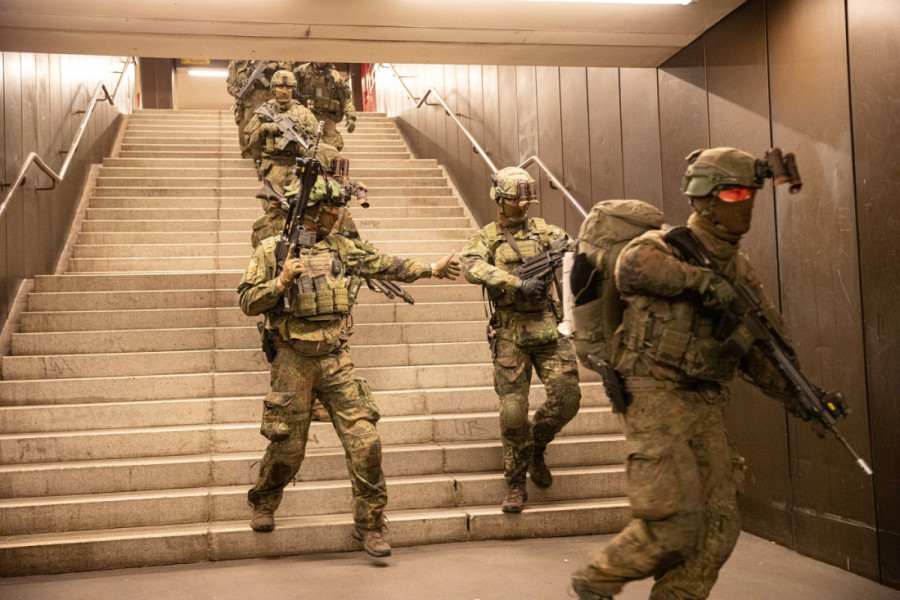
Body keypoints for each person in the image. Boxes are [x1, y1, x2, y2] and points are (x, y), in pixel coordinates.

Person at [571, 148, 818, 600]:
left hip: (704, 401)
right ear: (704, 197)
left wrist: (802, 397)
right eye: (733, 191)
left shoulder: (739, 269)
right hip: (653, 394)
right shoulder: (664, 245)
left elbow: (759, 348)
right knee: (672, 525)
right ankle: (593, 582)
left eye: (749, 192)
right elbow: (632, 267)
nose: (743, 202)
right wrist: (701, 283)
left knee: (719, 528)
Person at [238, 172, 460, 557]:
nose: (340, 214)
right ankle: (264, 499)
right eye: (333, 208)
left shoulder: (342, 248)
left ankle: (371, 525)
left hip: (336, 357)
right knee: (288, 447)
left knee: (366, 442)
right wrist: (279, 283)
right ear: (315, 211)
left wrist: (431, 268)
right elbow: (246, 302)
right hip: (292, 360)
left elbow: (385, 264)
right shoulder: (273, 251)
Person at [459, 167, 582, 513]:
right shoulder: (487, 237)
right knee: (513, 412)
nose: (524, 206)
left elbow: (576, 251)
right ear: (499, 199)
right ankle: (515, 483)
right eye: (516, 200)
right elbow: (470, 266)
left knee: (568, 397)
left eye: (528, 200)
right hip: (511, 332)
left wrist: (569, 249)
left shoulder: (546, 231)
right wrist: (515, 283)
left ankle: (536, 446)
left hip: (547, 326)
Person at [244, 70, 319, 191]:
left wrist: (305, 148)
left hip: (298, 168)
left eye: (288, 87)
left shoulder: (304, 113)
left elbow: (316, 141)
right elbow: (249, 140)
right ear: (273, 88)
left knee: (298, 207)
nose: (284, 91)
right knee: (274, 208)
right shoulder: (263, 112)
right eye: (280, 87)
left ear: (293, 89)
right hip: (273, 167)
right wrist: (264, 129)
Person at [226, 60, 294, 158]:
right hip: (248, 104)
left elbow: (290, 74)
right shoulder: (238, 62)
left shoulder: (278, 58)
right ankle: (251, 157)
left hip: (272, 103)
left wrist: (276, 66)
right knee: (249, 135)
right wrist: (237, 92)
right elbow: (230, 85)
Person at [294, 62, 357, 150]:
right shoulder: (301, 72)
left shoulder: (334, 75)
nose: (321, 61)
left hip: (327, 117)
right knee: (305, 146)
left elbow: (345, 98)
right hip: (307, 116)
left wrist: (351, 117)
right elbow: (290, 90)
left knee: (331, 148)